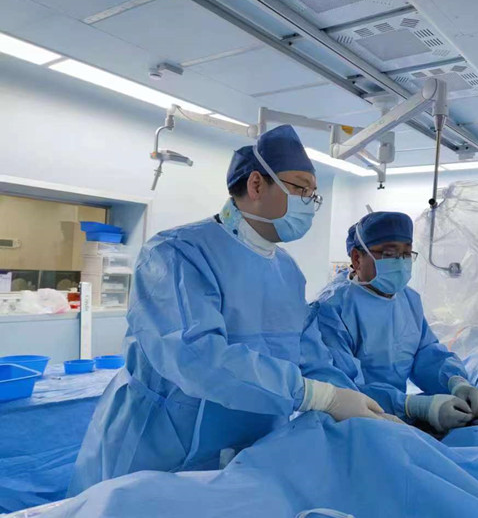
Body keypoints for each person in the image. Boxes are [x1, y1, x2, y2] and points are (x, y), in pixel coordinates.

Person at [69, 126, 388, 495]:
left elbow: (309, 355)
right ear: (256, 184)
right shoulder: (176, 253)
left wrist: (365, 408)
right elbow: (195, 356)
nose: (310, 203)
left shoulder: (287, 271)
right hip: (157, 445)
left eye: (313, 195)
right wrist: (316, 396)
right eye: (302, 188)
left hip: (248, 446)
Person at [308, 211, 478, 433]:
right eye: (389, 254)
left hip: (399, 414)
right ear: (357, 258)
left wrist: (455, 382)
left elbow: (426, 352)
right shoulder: (332, 309)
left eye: (406, 253)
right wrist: (414, 406)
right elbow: (340, 388)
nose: (401, 262)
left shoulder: (408, 299)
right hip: (348, 423)